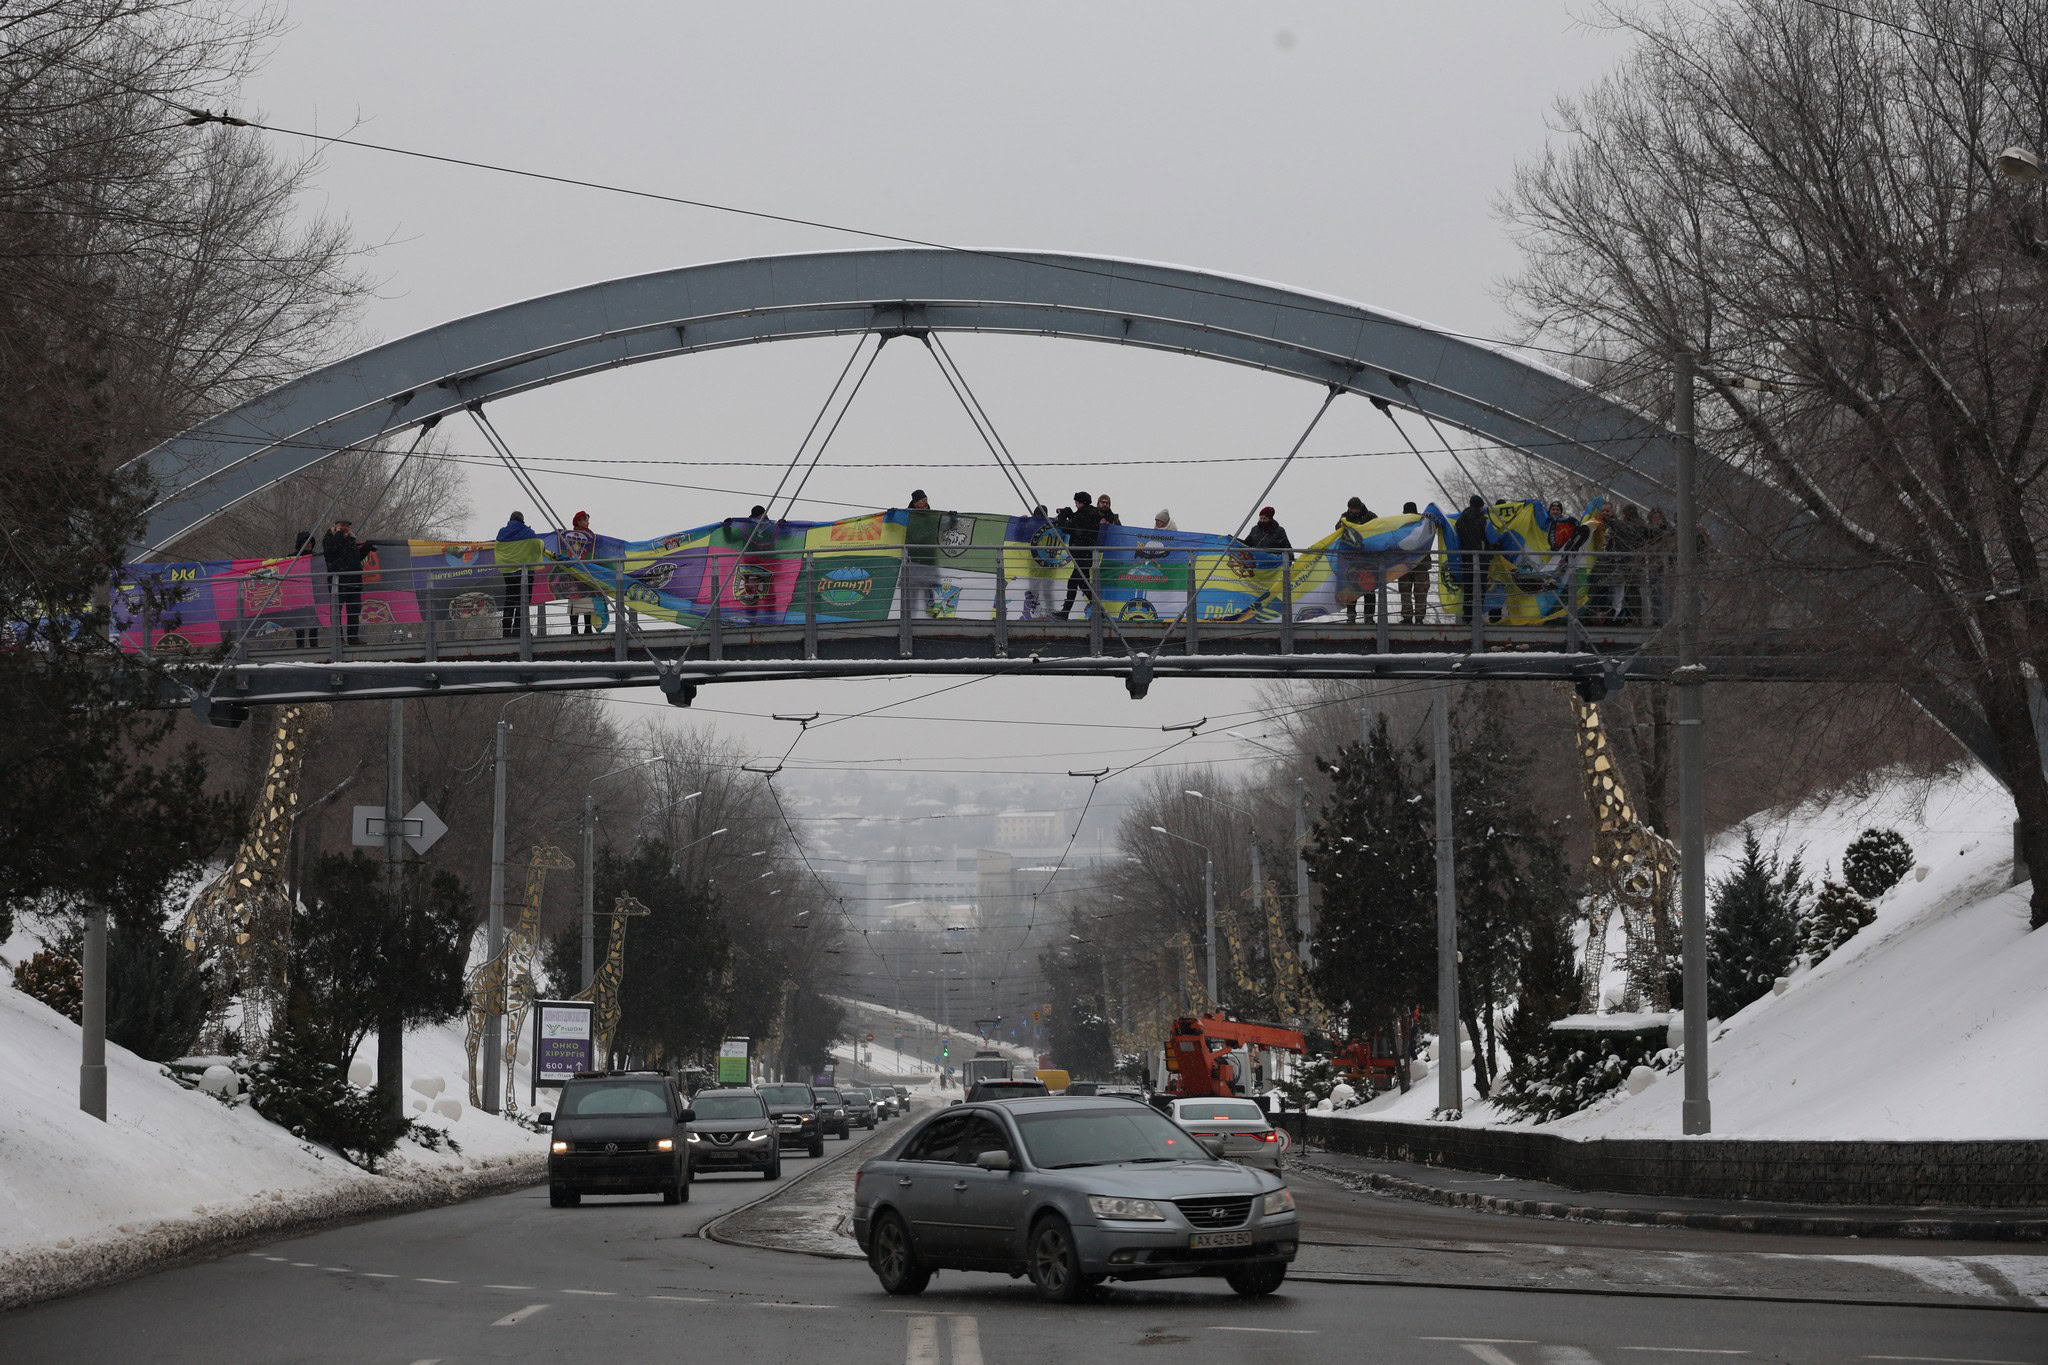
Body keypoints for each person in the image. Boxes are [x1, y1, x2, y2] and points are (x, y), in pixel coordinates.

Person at [1053, 490, 1102, 619]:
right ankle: (1099, 611)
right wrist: (1070, 514)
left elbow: (1067, 528)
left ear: (1081, 502)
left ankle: (1066, 613)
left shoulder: (1083, 515)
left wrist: (1064, 516)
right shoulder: (1091, 513)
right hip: (1086, 555)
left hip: (1081, 554)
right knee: (1082, 583)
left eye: (1076, 502)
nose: (1075, 505)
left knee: (1075, 583)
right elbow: (1078, 524)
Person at [320, 517, 368, 646]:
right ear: (335, 526)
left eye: (347, 526)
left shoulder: (351, 539)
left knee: (354, 611)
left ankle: (353, 638)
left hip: (353, 581)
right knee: (336, 610)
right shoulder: (329, 538)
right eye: (342, 526)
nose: (345, 528)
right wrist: (339, 534)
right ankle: (338, 638)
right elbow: (330, 553)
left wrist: (365, 550)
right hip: (338, 582)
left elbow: (353, 559)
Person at [495, 510, 542, 639]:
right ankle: (518, 630)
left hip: (509, 572)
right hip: (525, 573)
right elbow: (537, 546)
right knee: (523, 600)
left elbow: (498, 547)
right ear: (522, 520)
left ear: (510, 520)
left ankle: (506, 632)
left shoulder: (502, 532)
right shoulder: (527, 532)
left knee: (510, 600)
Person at [559, 510, 599, 635]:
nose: (588, 523)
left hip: (585, 572)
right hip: (576, 573)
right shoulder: (571, 536)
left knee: (586, 601)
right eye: (585, 520)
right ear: (579, 521)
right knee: (575, 601)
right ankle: (575, 628)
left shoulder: (590, 536)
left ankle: (586, 627)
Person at [1454, 495, 1490, 624]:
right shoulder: (1482, 520)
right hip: (1481, 558)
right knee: (1480, 588)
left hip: (1466, 558)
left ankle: (1467, 616)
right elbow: (1489, 539)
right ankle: (1477, 615)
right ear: (1480, 506)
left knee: (1469, 588)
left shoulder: (1460, 520)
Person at [905, 489, 940, 618]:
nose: (925, 503)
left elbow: (945, 525)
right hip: (913, 558)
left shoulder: (932, 516)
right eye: (922, 500)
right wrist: (891, 515)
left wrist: (953, 518)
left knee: (929, 587)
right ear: (915, 503)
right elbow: (894, 525)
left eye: (926, 500)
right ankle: (910, 615)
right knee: (913, 588)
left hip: (929, 557)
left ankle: (930, 613)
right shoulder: (907, 516)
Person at [1398, 501, 1430, 624]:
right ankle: (1418, 618)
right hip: (1419, 563)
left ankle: (1408, 617)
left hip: (1406, 563)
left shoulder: (1401, 524)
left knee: (1407, 591)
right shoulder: (1424, 522)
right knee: (1419, 591)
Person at [290, 530, 320, 650]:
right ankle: (300, 647)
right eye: (306, 542)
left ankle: (314, 646)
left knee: (314, 622)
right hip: (298, 595)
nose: (309, 545)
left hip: (314, 594)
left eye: (310, 542)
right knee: (299, 623)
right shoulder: (291, 558)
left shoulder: (317, 558)